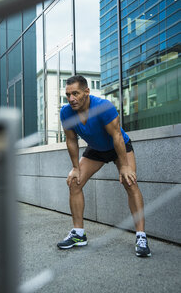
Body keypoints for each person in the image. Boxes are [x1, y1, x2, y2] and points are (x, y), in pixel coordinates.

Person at [57, 75, 151, 257]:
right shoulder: (66, 112)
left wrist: (124, 165)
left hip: (119, 147)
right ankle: (78, 234)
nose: (71, 99)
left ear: (87, 92)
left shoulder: (103, 107)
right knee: (75, 183)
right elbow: (71, 141)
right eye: (68, 94)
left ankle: (141, 236)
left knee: (130, 183)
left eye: (75, 93)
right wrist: (76, 167)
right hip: (96, 149)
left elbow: (116, 136)